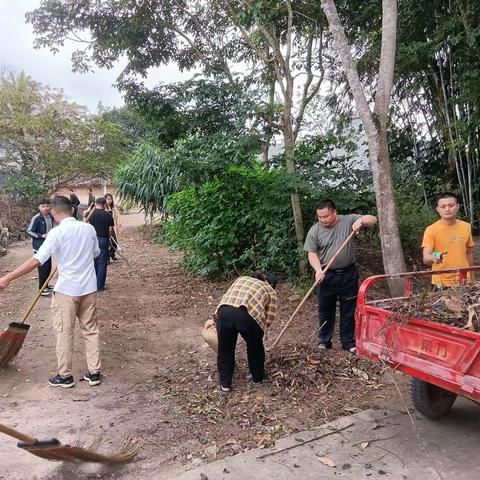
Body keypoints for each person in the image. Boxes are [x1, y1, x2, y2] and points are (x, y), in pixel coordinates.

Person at [0, 196, 102, 388]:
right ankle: (94, 373)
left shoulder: (56, 233)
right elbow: (96, 253)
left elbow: (36, 261)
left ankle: (65, 376)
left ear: (54, 212)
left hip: (66, 291)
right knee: (91, 331)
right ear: (71, 210)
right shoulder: (89, 229)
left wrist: (7, 278)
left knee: (64, 332)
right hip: (88, 288)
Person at [303, 199, 377, 354]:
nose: (322, 220)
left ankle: (348, 342)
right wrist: (318, 270)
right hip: (326, 275)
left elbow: (373, 220)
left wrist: (362, 221)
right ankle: (324, 341)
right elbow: (312, 253)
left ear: (334, 212)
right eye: (320, 217)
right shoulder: (315, 230)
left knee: (348, 310)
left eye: (326, 216)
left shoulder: (348, 220)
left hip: (348, 274)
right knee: (325, 309)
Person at [204, 273, 277, 393]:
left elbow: (227, 298)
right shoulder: (270, 290)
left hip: (225, 312)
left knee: (225, 349)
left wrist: (214, 319)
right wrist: (260, 332)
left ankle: (225, 385)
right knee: (255, 347)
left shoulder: (242, 279)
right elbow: (269, 317)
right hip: (246, 315)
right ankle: (257, 378)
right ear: (272, 285)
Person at [422, 192, 474, 289]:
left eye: (451, 205)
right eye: (443, 206)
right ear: (438, 209)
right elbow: (426, 258)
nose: (447, 209)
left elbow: (469, 253)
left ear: (457, 206)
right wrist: (435, 257)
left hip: (464, 280)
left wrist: (472, 278)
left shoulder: (466, 226)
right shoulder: (431, 229)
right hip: (441, 282)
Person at [26, 199, 55, 296]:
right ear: (39, 207)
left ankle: (45, 286)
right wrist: (41, 236)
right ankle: (41, 289)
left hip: (48, 246)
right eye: (43, 206)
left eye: (47, 206)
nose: (46, 208)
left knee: (48, 267)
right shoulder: (37, 218)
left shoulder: (50, 216)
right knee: (43, 268)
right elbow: (29, 231)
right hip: (39, 247)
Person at [88, 197, 114, 291]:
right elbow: (110, 229)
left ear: (95, 204)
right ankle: (100, 286)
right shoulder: (107, 215)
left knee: (94, 262)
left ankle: (93, 285)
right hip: (103, 239)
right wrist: (109, 238)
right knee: (102, 263)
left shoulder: (90, 214)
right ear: (104, 204)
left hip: (92, 240)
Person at [104, 193, 121, 261]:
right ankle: (107, 258)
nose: (110, 200)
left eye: (111, 199)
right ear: (105, 199)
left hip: (112, 228)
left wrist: (119, 225)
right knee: (107, 243)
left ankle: (111, 254)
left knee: (114, 243)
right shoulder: (103, 209)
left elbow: (118, 217)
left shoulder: (114, 209)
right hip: (105, 228)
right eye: (108, 199)